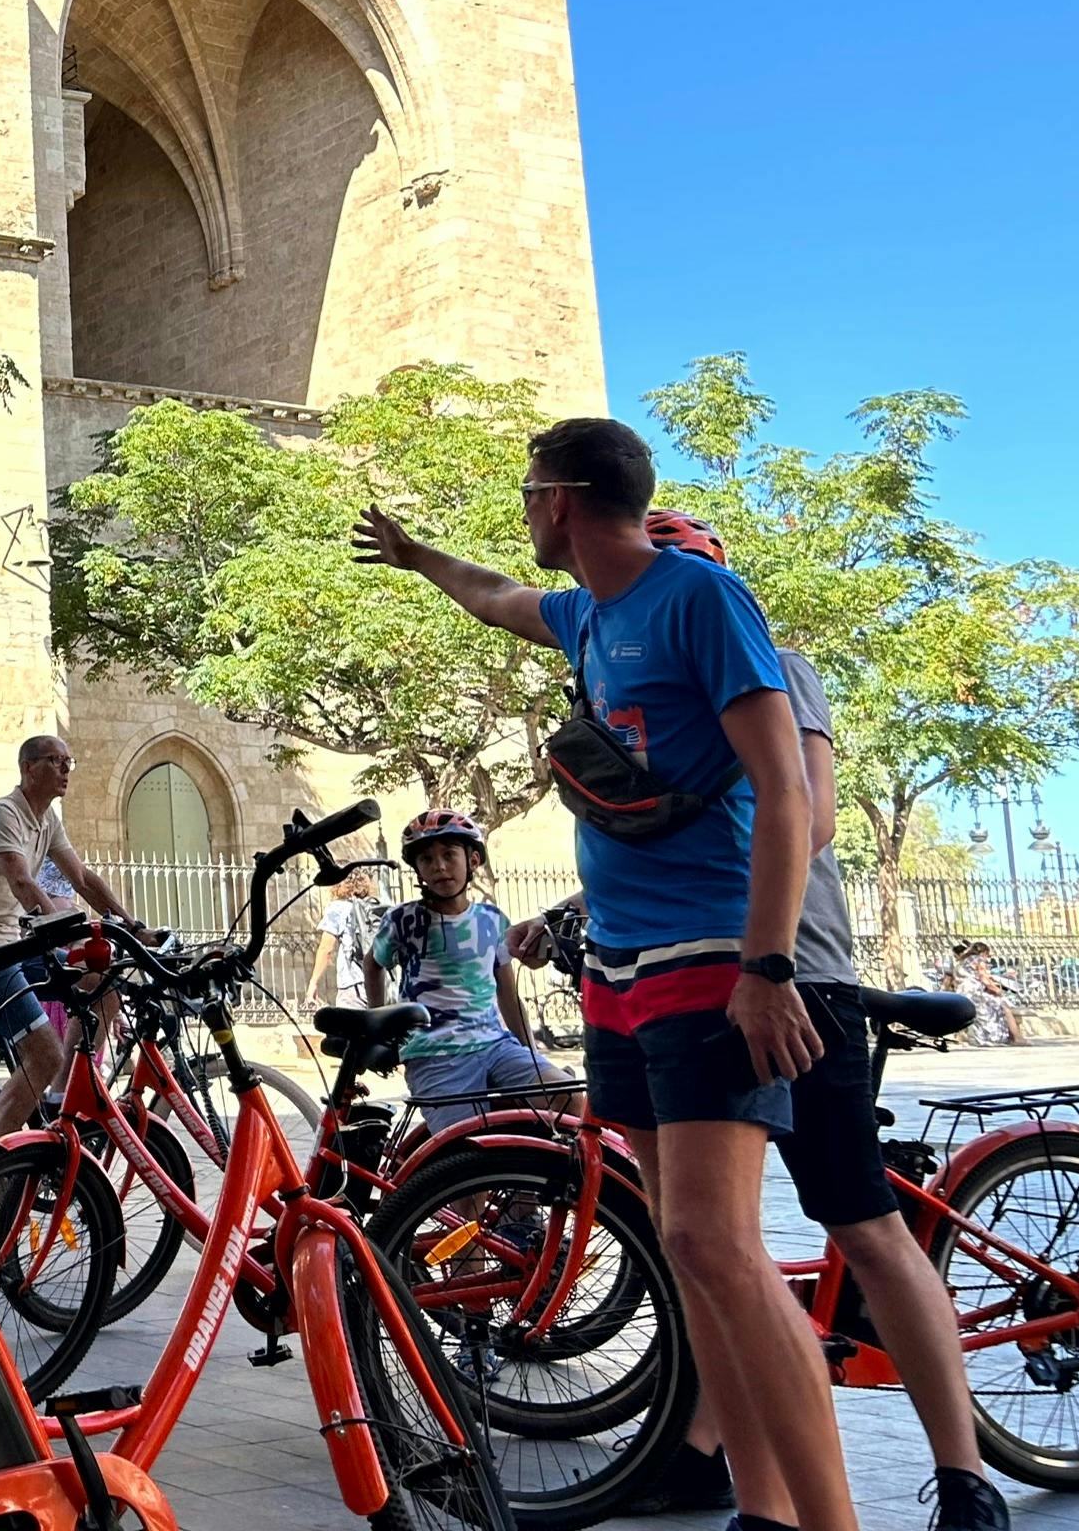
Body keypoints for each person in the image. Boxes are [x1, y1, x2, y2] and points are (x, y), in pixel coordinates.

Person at [355, 418, 857, 1531]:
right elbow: (493, 595)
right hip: (619, 971)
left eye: (527, 491)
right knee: (686, 1257)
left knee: (714, 1244)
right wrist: (415, 555)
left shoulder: (698, 599)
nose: (522, 512)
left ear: (563, 498)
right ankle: (763, 1511)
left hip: (705, 961)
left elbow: (785, 791)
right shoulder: (587, 614)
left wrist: (767, 965)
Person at [516, 509, 1006, 1529]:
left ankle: (963, 1476)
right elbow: (657, 827)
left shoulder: (769, 663)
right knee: (708, 1246)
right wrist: (576, 907)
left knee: (858, 1223)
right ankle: (724, 1468)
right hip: (687, 969)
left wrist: (751, 941)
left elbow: (807, 814)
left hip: (793, 979)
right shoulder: (631, 674)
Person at [0, 737, 131, 1141]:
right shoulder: (3, 814)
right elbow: (22, 882)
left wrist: (130, 924)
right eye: (56, 761)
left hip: (9, 945)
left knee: (105, 980)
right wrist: (65, 928)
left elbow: (82, 878)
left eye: (69, 762)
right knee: (44, 1054)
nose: (65, 770)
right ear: (28, 768)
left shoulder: (47, 821)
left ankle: (59, 1098)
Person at [360, 812, 572, 1129]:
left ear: (472, 860)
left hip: (496, 1045)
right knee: (462, 1146)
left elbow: (508, 995)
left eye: (449, 855)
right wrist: (379, 1026)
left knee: (569, 1098)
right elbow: (373, 963)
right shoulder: (403, 920)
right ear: (417, 869)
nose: (439, 866)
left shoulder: (492, 920)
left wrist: (532, 1055)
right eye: (427, 859)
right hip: (436, 1054)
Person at [298, 857, 382, 1018]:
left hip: (352, 984)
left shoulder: (338, 908)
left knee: (349, 1030)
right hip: (379, 982)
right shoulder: (373, 906)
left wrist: (313, 982)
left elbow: (326, 949)